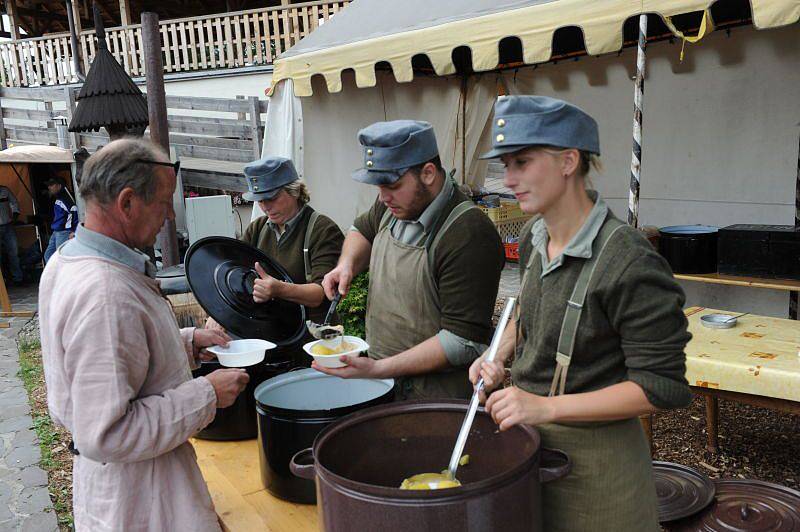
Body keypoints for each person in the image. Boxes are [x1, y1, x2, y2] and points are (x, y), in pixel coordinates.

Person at [469, 95, 692, 531]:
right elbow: (526, 310)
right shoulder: (535, 235)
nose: (508, 179)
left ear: (569, 160)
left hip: (602, 474)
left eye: (522, 162)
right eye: (505, 164)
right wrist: (498, 355)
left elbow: (661, 388)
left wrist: (545, 408)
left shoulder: (628, 260)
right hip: (529, 450)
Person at [39, 138, 250, 532]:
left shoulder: (69, 258)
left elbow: (118, 358)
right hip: (141, 499)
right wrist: (208, 394)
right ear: (127, 203)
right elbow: (108, 432)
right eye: (165, 201)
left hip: (135, 483)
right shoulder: (104, 293)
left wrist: (185, 343)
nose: (170, 214)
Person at [320, 120, 505, 400]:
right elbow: (362, 230)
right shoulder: (392, 204)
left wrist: (379, 368)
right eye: (378, 186)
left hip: (436, 401)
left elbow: (462, 341)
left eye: (392, 185)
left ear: (428, 173)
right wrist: (346, 264)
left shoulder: (468, 234)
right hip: (386, 383)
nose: (383, 197)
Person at [206, 156, 344, 361]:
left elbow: (321, 294)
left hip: (312, 345)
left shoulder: (322, 230)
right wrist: (217, 315)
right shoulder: (257, 229)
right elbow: (232, 276)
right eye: (260, 200)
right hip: (268, 340)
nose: (265, 206)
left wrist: (278, 289)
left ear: (295, 191)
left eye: (271, 198)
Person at [43, 177, 78, 263]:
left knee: (61, 258)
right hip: (57, 231)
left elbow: (74, 211)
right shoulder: (59, 196)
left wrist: (73, 230)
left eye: (51, 185)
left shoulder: (66, 197)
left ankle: (64, 275)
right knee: (48, 255)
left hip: (64, 231)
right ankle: (55, 275)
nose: (49, 187)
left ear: (59, 186)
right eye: (48, 185)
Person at [0, 184, 23, 284]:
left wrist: (15, 214)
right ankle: (2, 283)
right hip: (6, 226)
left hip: (7, 226)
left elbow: (14, 202)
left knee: (14, 253)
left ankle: (17, 278)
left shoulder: (4, 190)